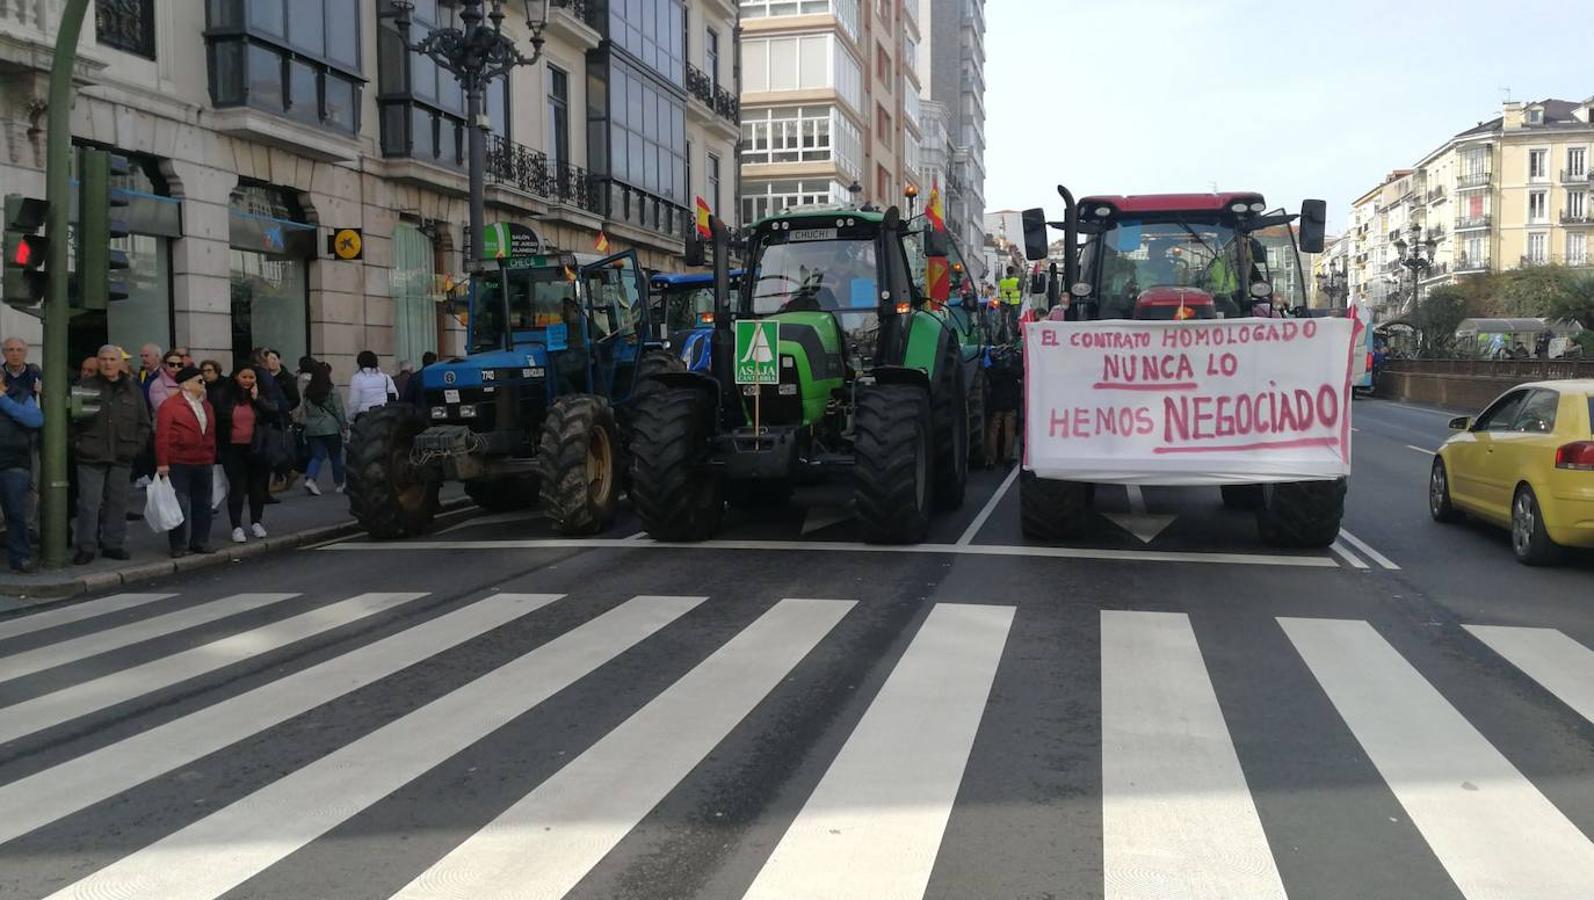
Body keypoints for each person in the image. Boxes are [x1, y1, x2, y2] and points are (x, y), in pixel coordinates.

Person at [72, 344, 152, 565]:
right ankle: (86, 546)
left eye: (112, 359)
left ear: (120, 363)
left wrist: (136, 447)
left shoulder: (132, 390)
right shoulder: (84, 386)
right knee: (89, 503)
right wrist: (78, 444)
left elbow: (144, 423)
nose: (108, 363)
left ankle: (113, 544)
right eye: (104, 359)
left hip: (122, 454)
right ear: (98, 362)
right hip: (90, 454)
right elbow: (73, 422)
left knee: (117, 502)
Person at [155, 366, 217, 558]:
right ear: (186, 385)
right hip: (179, 461)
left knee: (204, 504)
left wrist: (211, 456)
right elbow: (162, 436)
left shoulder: (206, 405)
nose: (203, 384)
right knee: (179, 504)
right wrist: (162, 463)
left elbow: (210, 433)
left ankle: (200, 541)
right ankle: (178, 545)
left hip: (203, 460)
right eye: (199, 381)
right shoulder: (171, 405)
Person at [213, 364, 278, 543]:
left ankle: (257, 522)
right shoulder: (224, 396)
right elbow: (218, 421)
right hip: (233, 449)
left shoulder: (260, 395)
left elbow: (273, 411)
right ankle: (237, 527)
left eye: (251, 378)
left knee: (257, 487)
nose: (248, 381)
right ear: (236, 377)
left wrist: (257, 399)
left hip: (257, 447)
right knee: (237, 488)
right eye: (244, 377)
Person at [0, 367, 42, 573]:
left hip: (14, 461)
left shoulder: (20, 395)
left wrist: (3, 399)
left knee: (15, 512)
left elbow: (35, 420)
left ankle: (20, 556)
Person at [301, 362, 348, 495]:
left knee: (317, 456)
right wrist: (343, 425)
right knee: (335, 456)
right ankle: (339, 483)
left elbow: (305, 410)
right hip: (331, 427)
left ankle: (310, 479)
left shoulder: (307, 391)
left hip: (312, 428)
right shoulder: (332, 390)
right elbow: (338, 409)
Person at [985, 347, 1022, 466]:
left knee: (993, 431)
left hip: (996, 403)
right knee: (1010, 431)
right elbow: (1020, 373)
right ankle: (1007, 457)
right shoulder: (1013, 367)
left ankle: (991, 458)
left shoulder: (994, 367)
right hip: (1011, 403)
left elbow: (989, 372)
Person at [347, 350, 397, 417]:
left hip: (366, 416)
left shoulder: (356, 378)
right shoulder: (386, 377)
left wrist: (352, 416)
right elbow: (395, 395)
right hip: (384, 416)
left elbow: (354, 402)